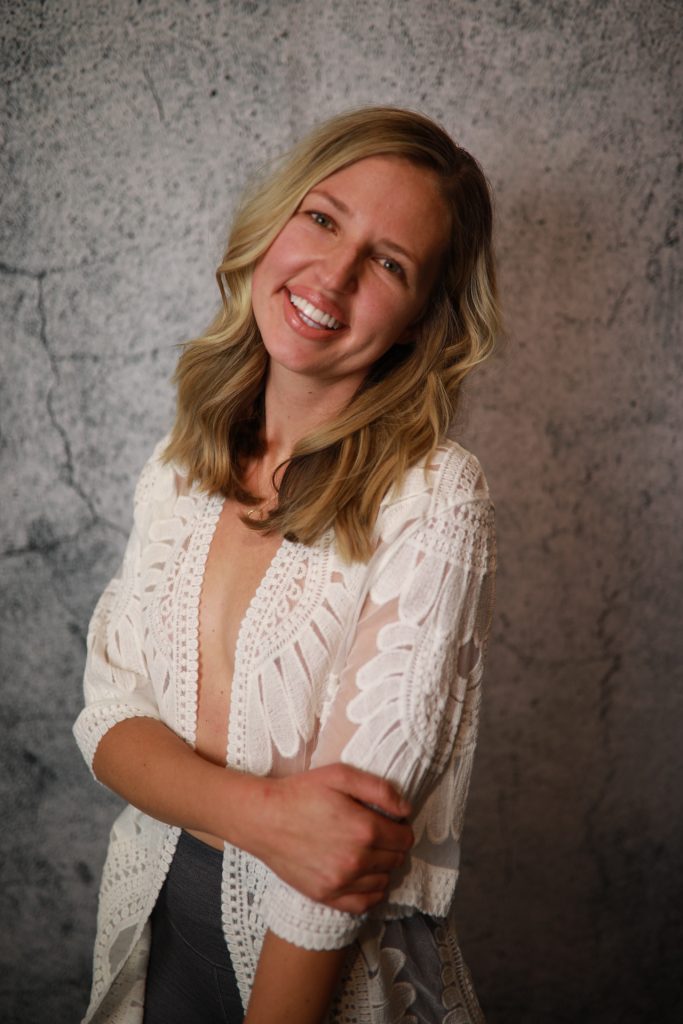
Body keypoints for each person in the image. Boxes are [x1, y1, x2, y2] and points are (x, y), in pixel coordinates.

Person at [74, 106, 500, 1024]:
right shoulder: (179, 467)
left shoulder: (435, 499)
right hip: (151, 938)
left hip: (314, 984)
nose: (333, 275)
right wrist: (269, 818)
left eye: (389, 263)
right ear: (275, 223)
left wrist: (235, 810)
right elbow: (107, 717)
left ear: (422, 319)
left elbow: (339, 864)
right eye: (322, 218)